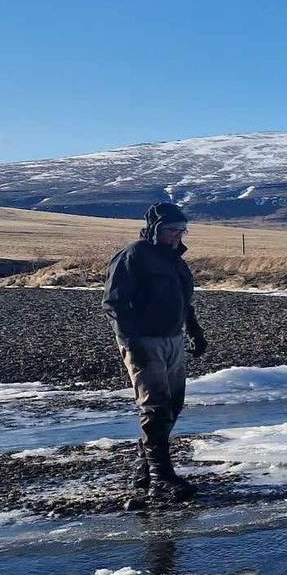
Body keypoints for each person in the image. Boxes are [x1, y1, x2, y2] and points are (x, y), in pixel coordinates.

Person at [102, 202, 209, 500]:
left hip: (173, 338)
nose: (178, 235)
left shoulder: (175, 259)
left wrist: (194, 331)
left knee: (173, 405)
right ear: (156, 229)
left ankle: (145, 467)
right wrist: (131, 339)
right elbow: (114, 302)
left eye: (182, 230)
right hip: (144, 341)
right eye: (172, 230)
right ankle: (162, 477)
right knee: (155, 406)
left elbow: (183, 300)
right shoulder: (133, 255)